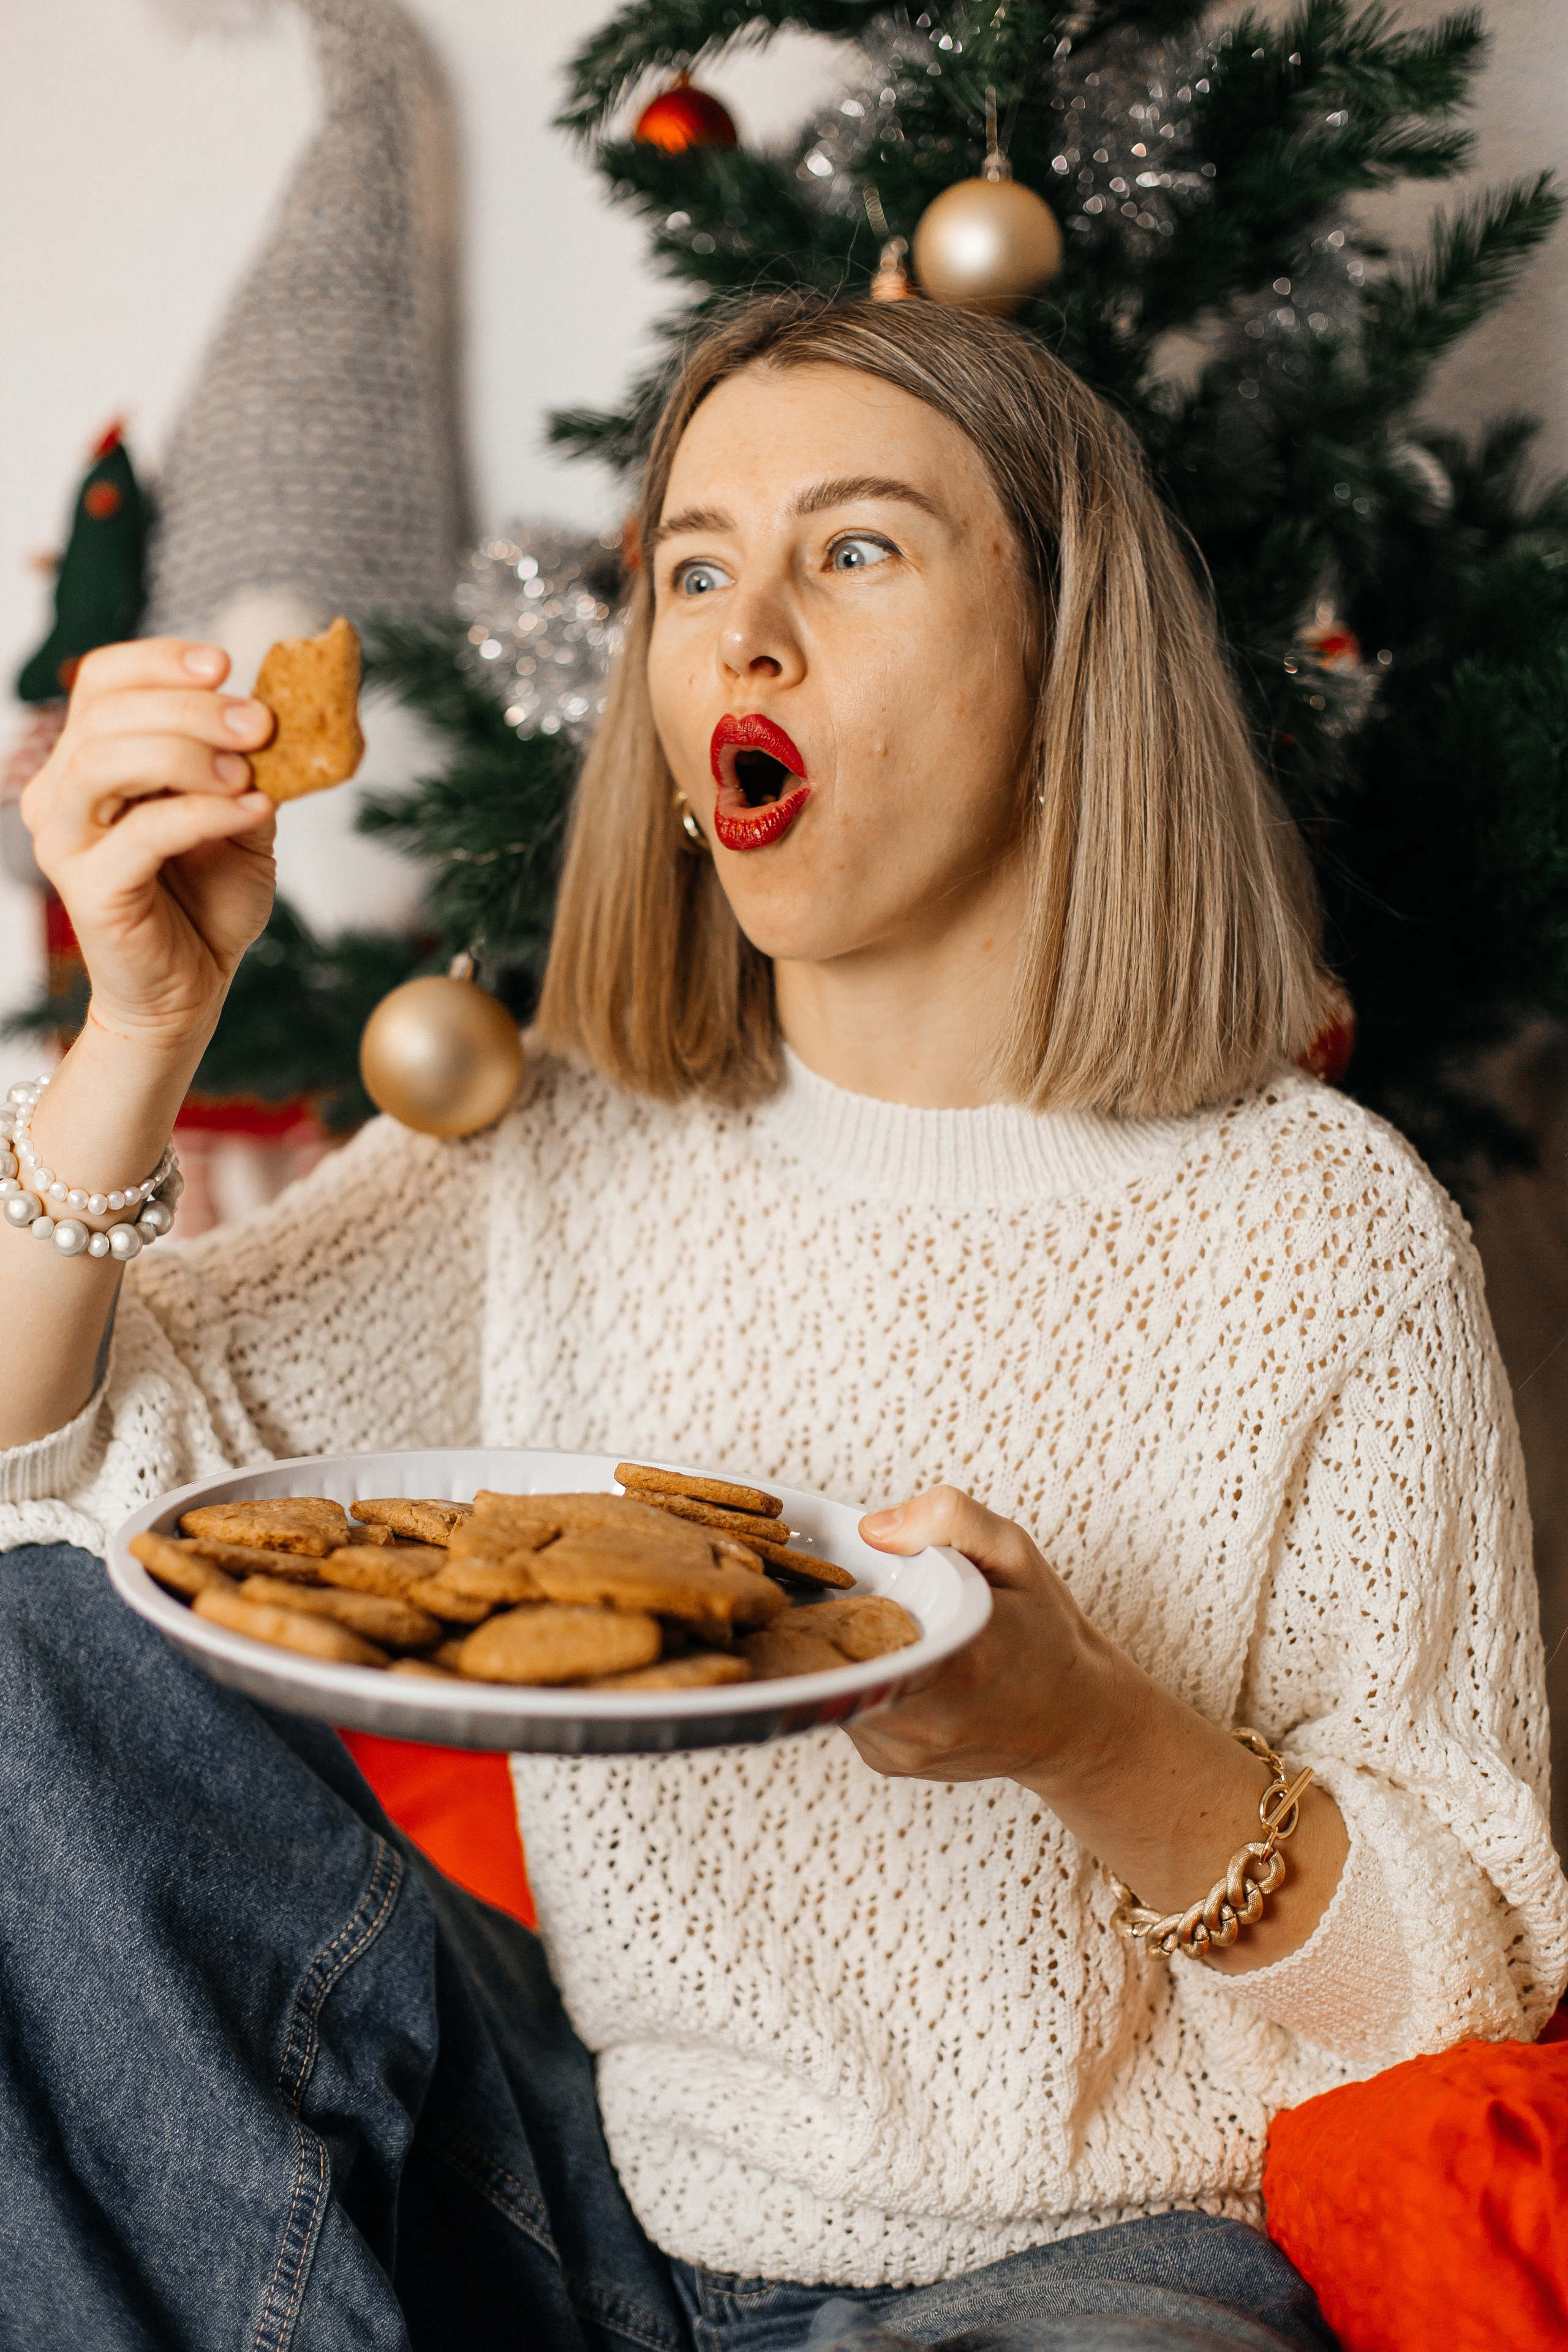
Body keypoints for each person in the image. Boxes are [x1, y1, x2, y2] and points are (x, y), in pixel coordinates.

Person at [2, 293, 1562, 2352]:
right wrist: (137, 1033)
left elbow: (1460, 1994)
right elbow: (60, 1471)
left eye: (854, 549)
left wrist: (1088, 1736)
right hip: (590, 2202)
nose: (742, 634)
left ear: (1065, 663)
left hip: (1085, 2270)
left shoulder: (1323, 1233)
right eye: (692, 571)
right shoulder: (570, 1141)